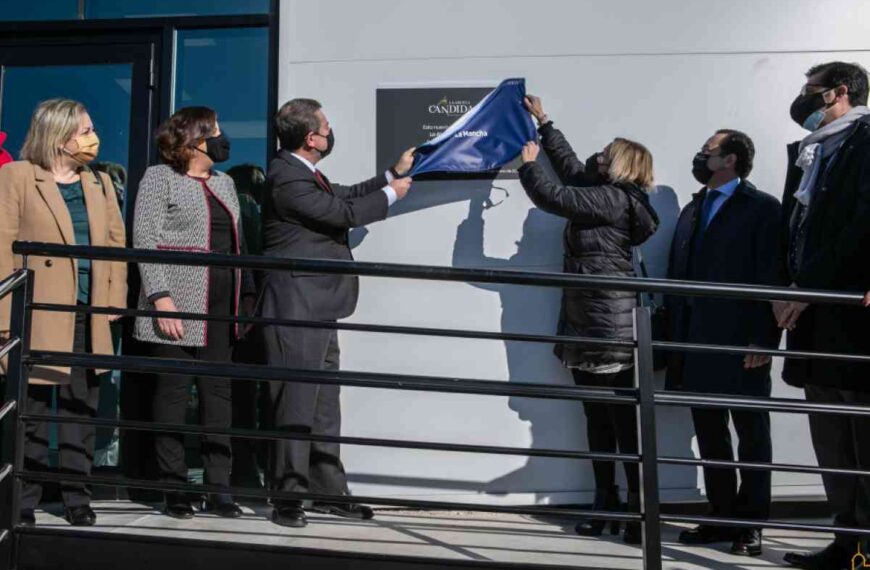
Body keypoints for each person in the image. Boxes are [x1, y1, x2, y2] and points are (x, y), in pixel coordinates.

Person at [260, 98, 413, 528]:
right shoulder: (286, 178)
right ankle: (287, 497)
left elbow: (345, 195)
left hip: (320, 306)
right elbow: (341, 213)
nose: (330, 131)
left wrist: (390, 175)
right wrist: (391, 195)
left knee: (324, 403)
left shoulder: (305, 172)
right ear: (311, 138)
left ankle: (329, 492)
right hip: (296, 305)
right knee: (295, 403)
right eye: (326, 126)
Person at [518, 95, 659, 545]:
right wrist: (545, 123)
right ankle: (610, 504)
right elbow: (574, 171)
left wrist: (527, 163)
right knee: (600, 418)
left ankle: (632, 511)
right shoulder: (611, 194)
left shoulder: (611, 200)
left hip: (605, 325)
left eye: (606, 154)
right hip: (595, 322)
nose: (598, 157)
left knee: (614, 421)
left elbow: (553, 195)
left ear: (620, 166)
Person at [0, 99, 127, 526]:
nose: (93, 137)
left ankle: (77, 500)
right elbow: (2, 246)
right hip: (34, 311)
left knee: (79, 412)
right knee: (31, 413)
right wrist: (3, 319)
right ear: (58, 134)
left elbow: (114, 246)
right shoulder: (17, 176)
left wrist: (112, 301)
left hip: (87, 314)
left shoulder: (100, 182)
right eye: (85, 129)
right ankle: (22, 500)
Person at [133, 106, 255, 520]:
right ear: (195, 138)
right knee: (172, 395)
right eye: (216, 131)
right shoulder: (159, 178)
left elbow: (238, 245)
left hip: (221, 307)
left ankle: (219, 488)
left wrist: (245, 299)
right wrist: (160, 297)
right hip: (177, 304)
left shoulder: (225, 183)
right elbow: (145, 239)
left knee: (218, 397)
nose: (223, 138)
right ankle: (173, 488)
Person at [665, 130, 782, 557]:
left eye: (708, 151)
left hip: (742, 342)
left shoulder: (762, 208)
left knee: (752, 434)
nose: (700, 155)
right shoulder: (694, 207)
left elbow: (771, 274)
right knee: (709, 432)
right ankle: (720, 515)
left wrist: (765, 339)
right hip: (697, 341)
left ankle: (751, 524)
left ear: (730, 160)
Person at [776, 62, 870, 570]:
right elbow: (793, 225)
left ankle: (867, 552)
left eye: (808, 91)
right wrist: (783, 287)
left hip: (851, 316)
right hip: (812, 316)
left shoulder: (866, 141)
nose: (801, 99)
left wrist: (807, 288)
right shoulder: (811, 150)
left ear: (838, 92)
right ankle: (847, 543)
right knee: (831, 437)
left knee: (862, 437)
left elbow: (860, 226)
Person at [226, 163, 268, 489]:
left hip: (239, 308)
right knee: (253, 394)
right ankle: (250, 469)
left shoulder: (237, 203)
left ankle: (243, 468)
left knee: (239, 395)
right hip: (251, 310)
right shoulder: (249, 205)